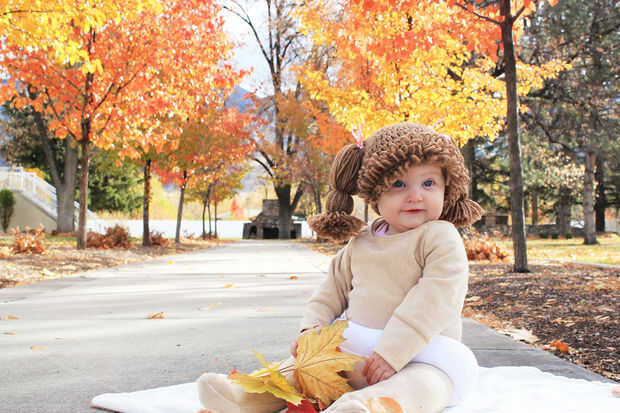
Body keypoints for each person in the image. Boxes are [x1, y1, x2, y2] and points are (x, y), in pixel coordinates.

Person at [197, 122, 483, 413]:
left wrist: (393, 351)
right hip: (354, 354)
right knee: (301, 369)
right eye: (399, 184)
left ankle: (369, 406)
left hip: (422, 353)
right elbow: (331, 289)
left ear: (447, 187)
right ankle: (245, 396)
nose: (416, 196)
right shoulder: (363, 240)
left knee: (422, 386)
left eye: (428, 183)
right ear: (374, 194)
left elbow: (436, 297)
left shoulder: (440, 236)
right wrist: (313, 328)